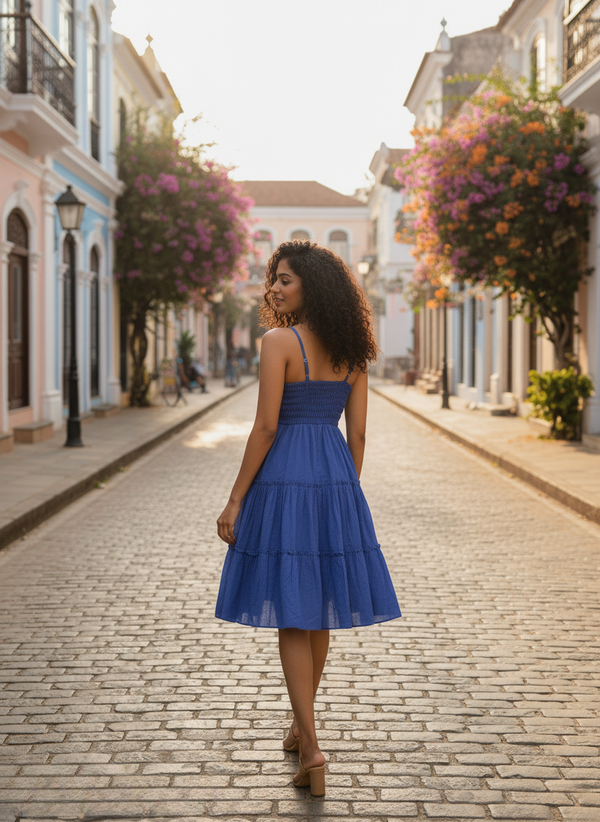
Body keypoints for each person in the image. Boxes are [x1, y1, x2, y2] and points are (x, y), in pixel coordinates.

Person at [215, 240, 401, 796]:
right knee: (316, 609)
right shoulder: (353, 351)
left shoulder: (278, 341)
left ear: (311, 286)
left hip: (284, 479)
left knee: (293, 615)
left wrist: (234, 499)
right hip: (335, 477)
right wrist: (345, 488)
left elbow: (266, 427)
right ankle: (301, 727)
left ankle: (313, 748)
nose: (273, 287)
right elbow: (359, 433)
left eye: (285, 279)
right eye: (272, 278)